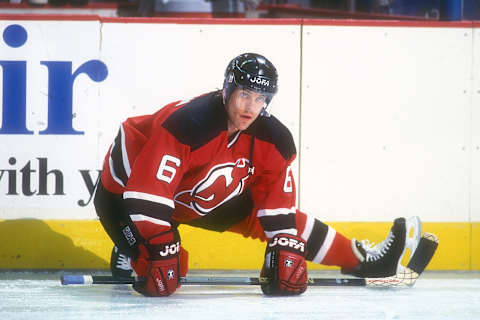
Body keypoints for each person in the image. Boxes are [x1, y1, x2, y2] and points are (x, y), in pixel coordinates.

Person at [94, 52, 418, 297]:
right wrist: (159, 245)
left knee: (280, 225)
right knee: (165, 275)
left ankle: (364, 258)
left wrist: (285, 249)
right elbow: (145, 196)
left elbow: (279, 216)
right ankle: (128, 249)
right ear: (226, 91)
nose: (251, 107)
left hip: (191, 194)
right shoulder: (188, 123)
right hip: (125, 195)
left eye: (260, 98)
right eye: (244, 94)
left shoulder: (272, 139)